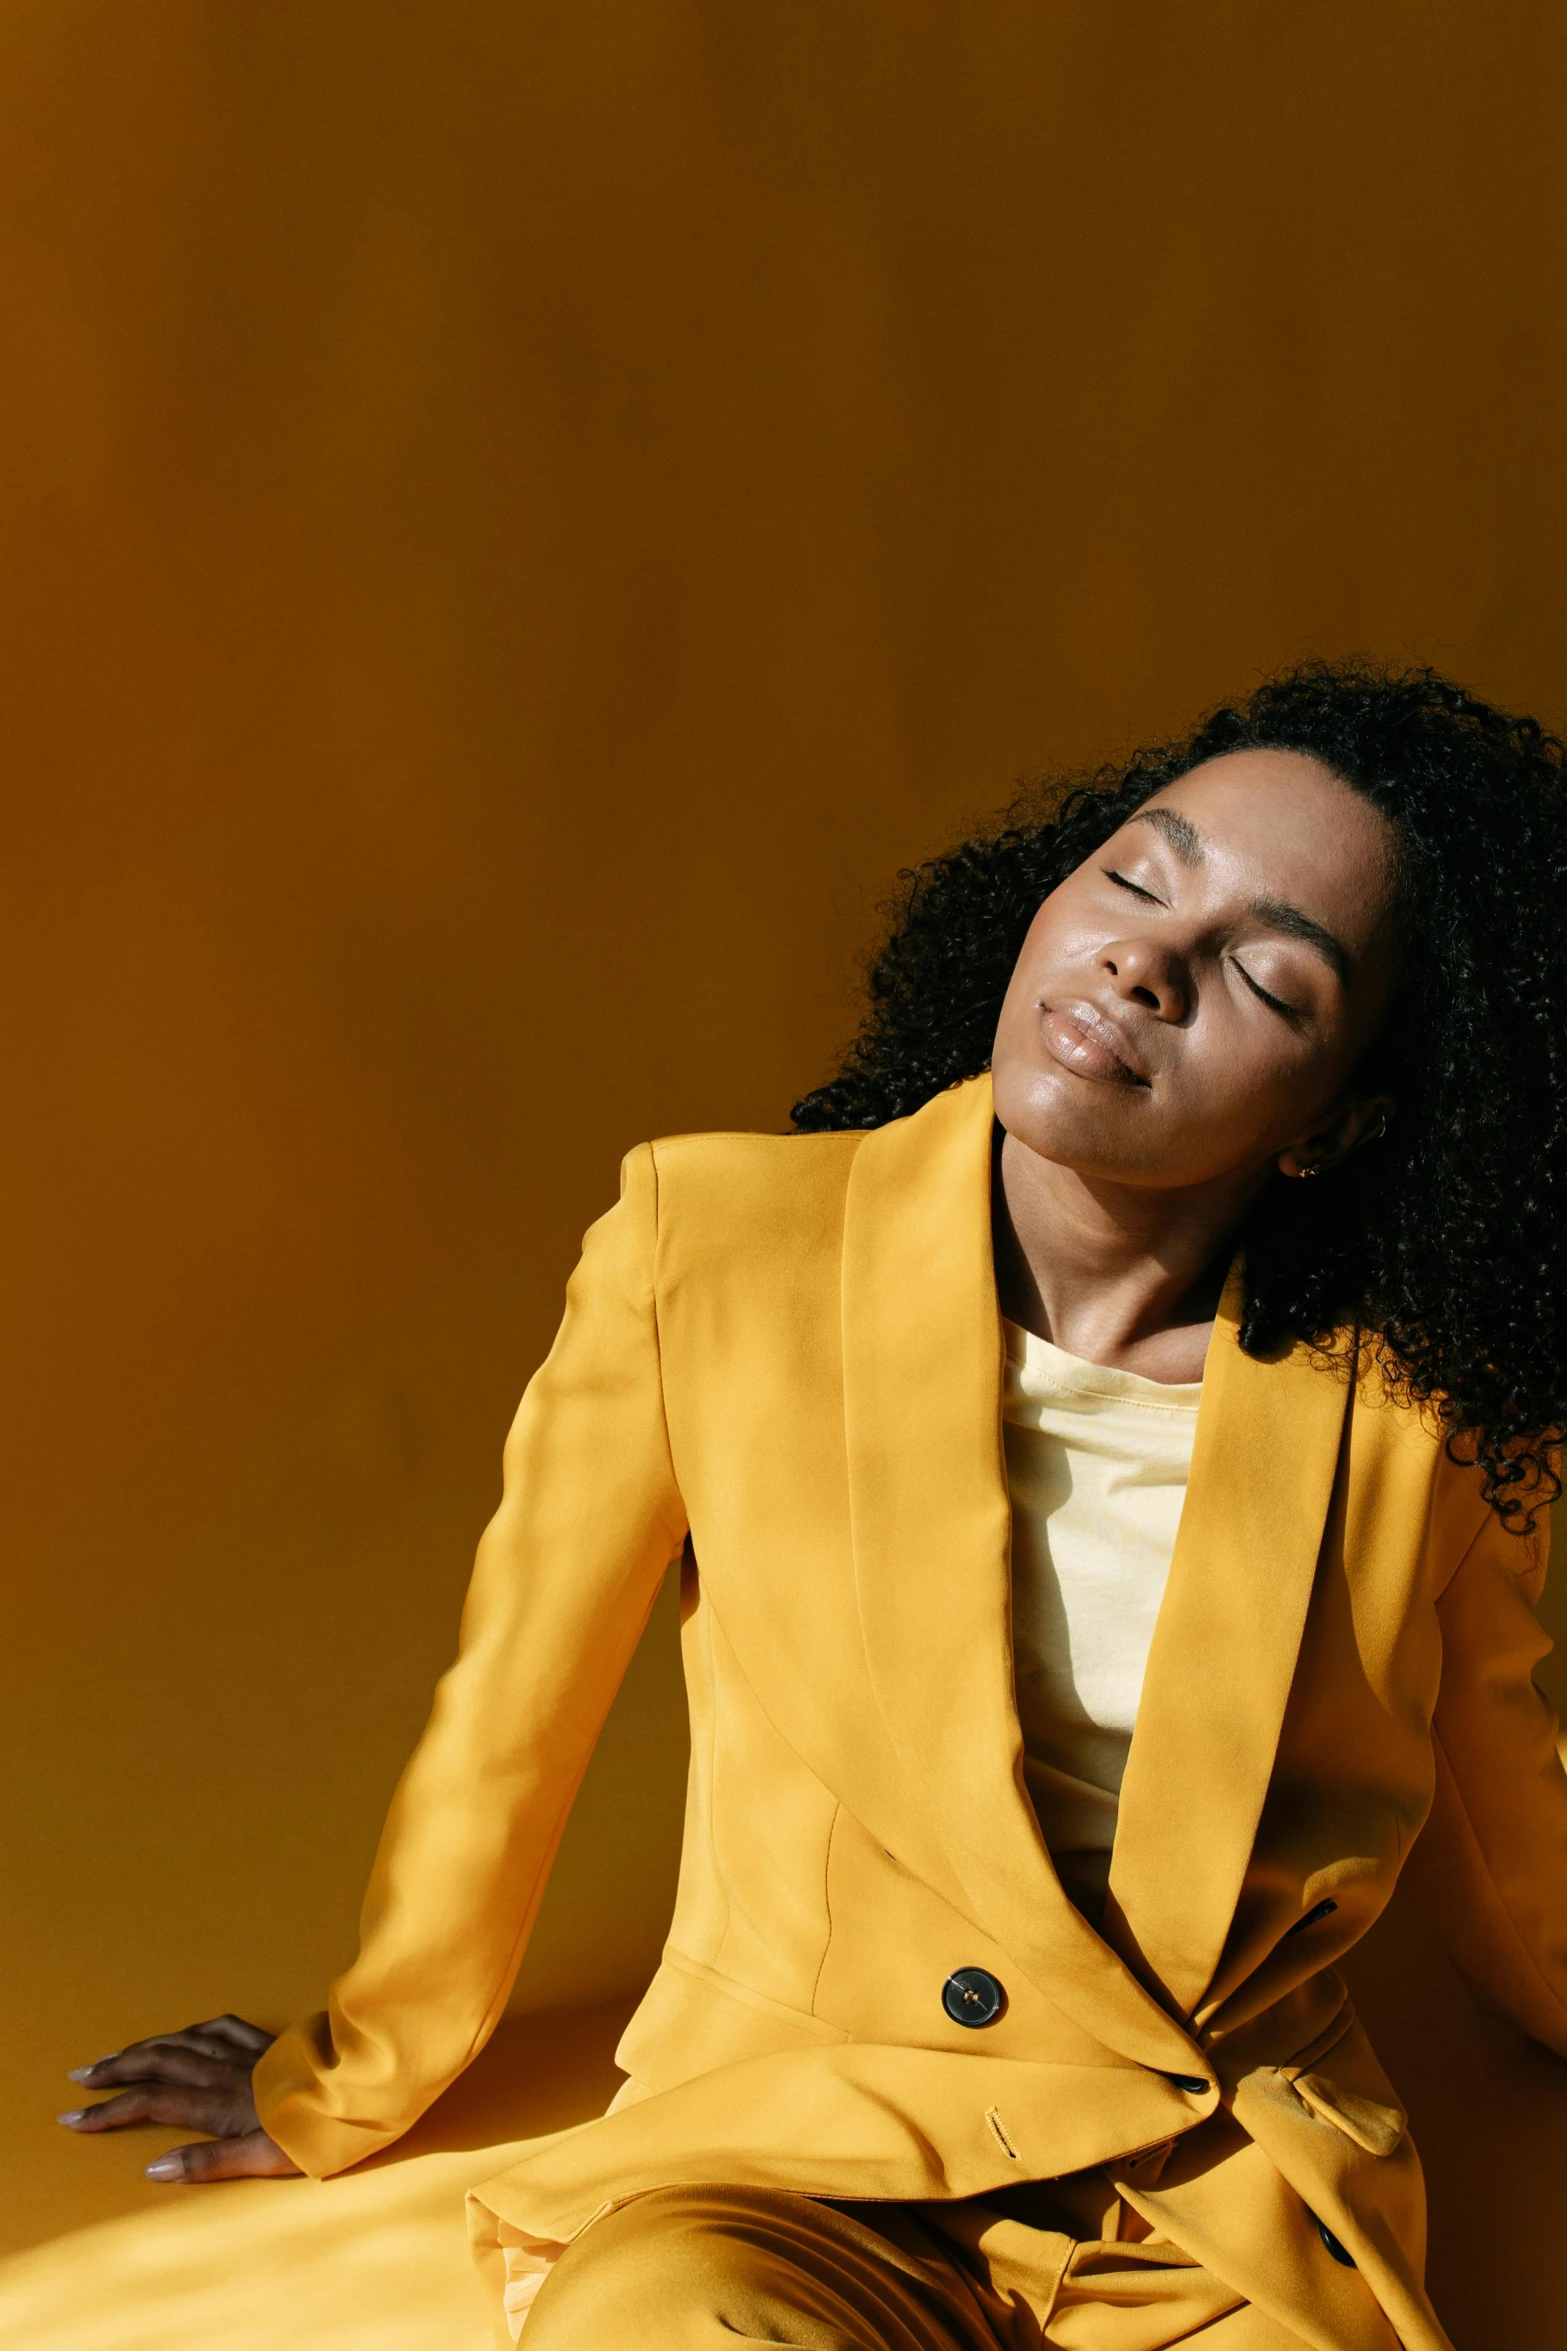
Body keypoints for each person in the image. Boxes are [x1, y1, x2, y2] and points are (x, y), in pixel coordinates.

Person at [61, 663, 1567, 2349]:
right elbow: (510, 1722)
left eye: (1264, 975)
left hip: (1205, 2200)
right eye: (1136, 877)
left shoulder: (1419, 1416)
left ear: (1336, 1122)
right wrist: (349, 2068)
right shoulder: (704, 1247)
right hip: (784, 2154)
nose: (1144, 958)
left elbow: (1511, 1816)